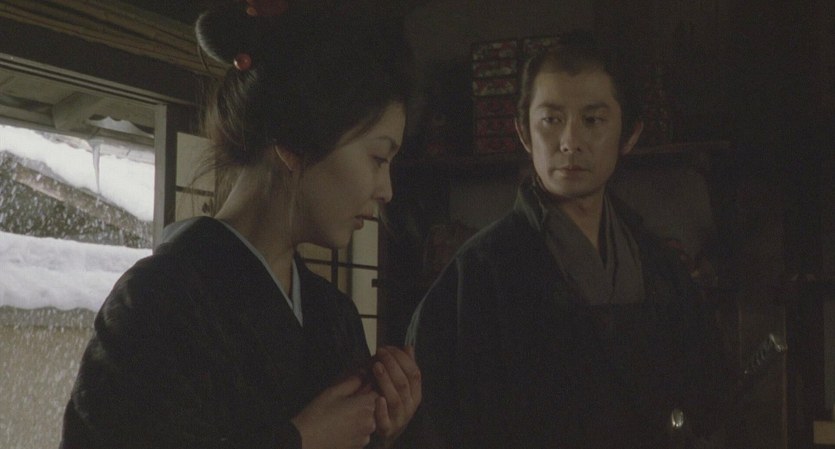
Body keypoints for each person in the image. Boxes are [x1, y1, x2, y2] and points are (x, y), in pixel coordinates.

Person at [60, 2, 420, 448]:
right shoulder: (157, 302)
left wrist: (382, 430)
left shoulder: (334, 316)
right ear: (293, 140)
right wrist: (301, 440)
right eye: (378, 158)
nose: (386, 190)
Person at [404, 31, 730, 448]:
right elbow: (435, 423)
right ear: (523, 132)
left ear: (629, 136)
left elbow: (707, 399)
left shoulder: (660, 269)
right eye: (551, 120)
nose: (570, 142)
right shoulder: (477, 275)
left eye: (592, 120)